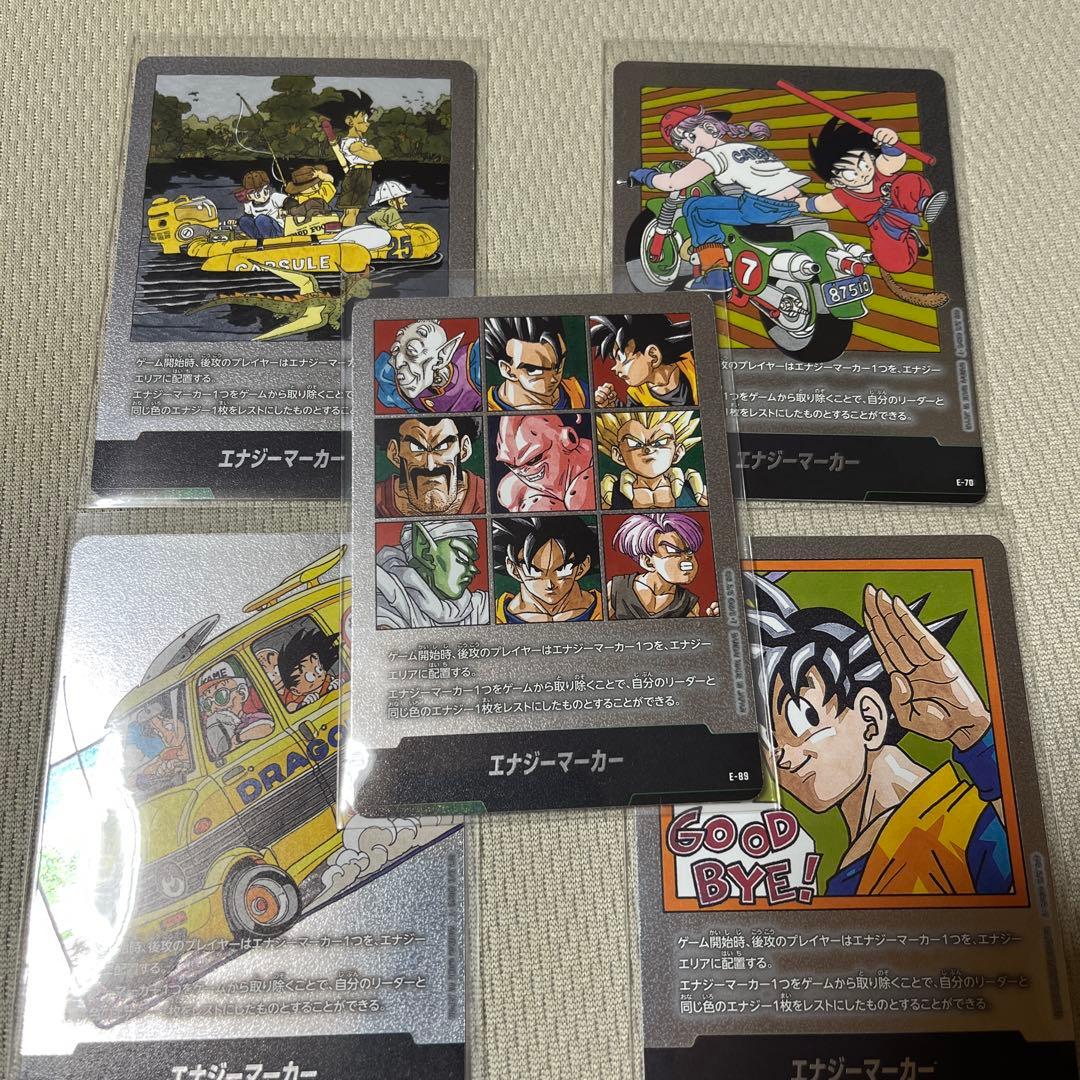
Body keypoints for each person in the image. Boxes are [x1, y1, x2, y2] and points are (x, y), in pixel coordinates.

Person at [745, 574, 1011, 896]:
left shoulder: (961, 822)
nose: (783, 757)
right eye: (769, 741)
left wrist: (976, 737)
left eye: (803, 721)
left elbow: (1024, 869)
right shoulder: (853, 867)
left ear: (870, 719)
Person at [628, 106, 804, 294]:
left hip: (758, 208)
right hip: (794, 204)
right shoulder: (753, 148)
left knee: (695, 209)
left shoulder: (714, 155)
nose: (692, 152)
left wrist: (645, 176)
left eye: (690, 142)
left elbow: (672, 183)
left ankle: (715, 274)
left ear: (707, 129)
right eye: (686, 149)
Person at [803, 118, 950, 306]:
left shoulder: (880, 169)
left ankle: (924, 204)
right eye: (850, 173)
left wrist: (890, 143)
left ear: (871, 158)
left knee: (907, 183)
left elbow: (894, 160)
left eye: (863, 164)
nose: (862, 173)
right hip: (885, 227)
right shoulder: (843, 195)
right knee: (893, 262)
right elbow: (820, 204)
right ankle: (911, 242)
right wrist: (798, 203)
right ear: (836, 182)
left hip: (903, 203)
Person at [376, 520, 488, 628]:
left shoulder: (478, 607)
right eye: (463, 556)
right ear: (426, 552)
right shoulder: (384, 601)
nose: (474, 569)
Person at [606, 513, 718, 619]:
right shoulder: (617, 589)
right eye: (673, 551)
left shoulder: (688, 603)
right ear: (648, 562)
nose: (686, 558)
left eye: (689, 551)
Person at [492, 516, 602, 623]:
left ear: (583, 566)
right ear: (513, 569)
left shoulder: (607, 607)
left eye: (562, 569)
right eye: (534, 571)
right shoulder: (489, 614)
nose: (550, 584)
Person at [375, 416, 485, 516]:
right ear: (395, 454)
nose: (430, 465)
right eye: (416, 448)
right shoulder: (376, 501)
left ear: (464, 449)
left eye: (442, 446)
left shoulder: (486, 497)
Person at [595, 410, 706, 509]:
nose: (648, 449)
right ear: (618, 455)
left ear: (677, 452)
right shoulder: (610, 494)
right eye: (634, 443)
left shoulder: (693, 490)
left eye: (661, 442)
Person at [590, 313, 697, 407]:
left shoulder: (694, 363)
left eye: (621, 359)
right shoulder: (637, 396)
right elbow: (632, 420)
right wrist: (611, 405)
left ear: (653, 356)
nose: (615, 368)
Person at [374, 319, 482, 413]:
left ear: (441, 357)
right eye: (396, 350)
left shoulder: (473, 365)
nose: (397, 363)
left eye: (412, 351)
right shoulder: (392, 381)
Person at [494, 414, 595, 512]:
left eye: (534, 459)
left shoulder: (592, 458)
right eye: (511, 465)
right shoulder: (512, 491)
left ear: (569, 439)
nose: (523, 471)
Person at [485, 316, 588, 410]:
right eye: (534, 369)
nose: (553, 379)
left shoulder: (580, 393)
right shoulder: (486, 409)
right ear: (507, 370)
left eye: (558, 366)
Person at [315, 89, 382, 227]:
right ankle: (346, 232)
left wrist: (367, 149)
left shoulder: (360, 142)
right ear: (350, 121)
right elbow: (375, 156)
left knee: (354, 210)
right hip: (356, 174)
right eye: (363, 119)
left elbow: (376, 155)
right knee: (351, 210)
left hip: (364, 174)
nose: (367, 123)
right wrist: (369, 149)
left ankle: (344, 230)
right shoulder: (351, 143)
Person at [197, 661, 273, 760]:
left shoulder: (250, 719)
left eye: (221, 696)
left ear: (242, 693)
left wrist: (237, 739)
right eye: (207, 704)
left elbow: (267, 726)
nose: (214, 707)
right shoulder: (211, 731)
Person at [277, 626, 341, 712]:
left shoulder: (328, 680)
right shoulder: (296, 698)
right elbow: (290, 707)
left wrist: (337, 683)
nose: (319, 675)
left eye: (319, 669)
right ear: (296, 691)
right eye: (310, 676)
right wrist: (302, 704)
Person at [234, 169, 287, 239]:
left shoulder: (274, 198)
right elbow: (248, 217)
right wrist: (236, 221)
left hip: (277, 232)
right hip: (260, 233)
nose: (256, 195)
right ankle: (258, 240)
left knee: (261, 219)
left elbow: (290, 202)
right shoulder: (249, 204)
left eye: (258, 191)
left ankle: (267, 240)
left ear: (265, 187)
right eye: (252, 192)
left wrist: (287, 211)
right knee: (244, 220)